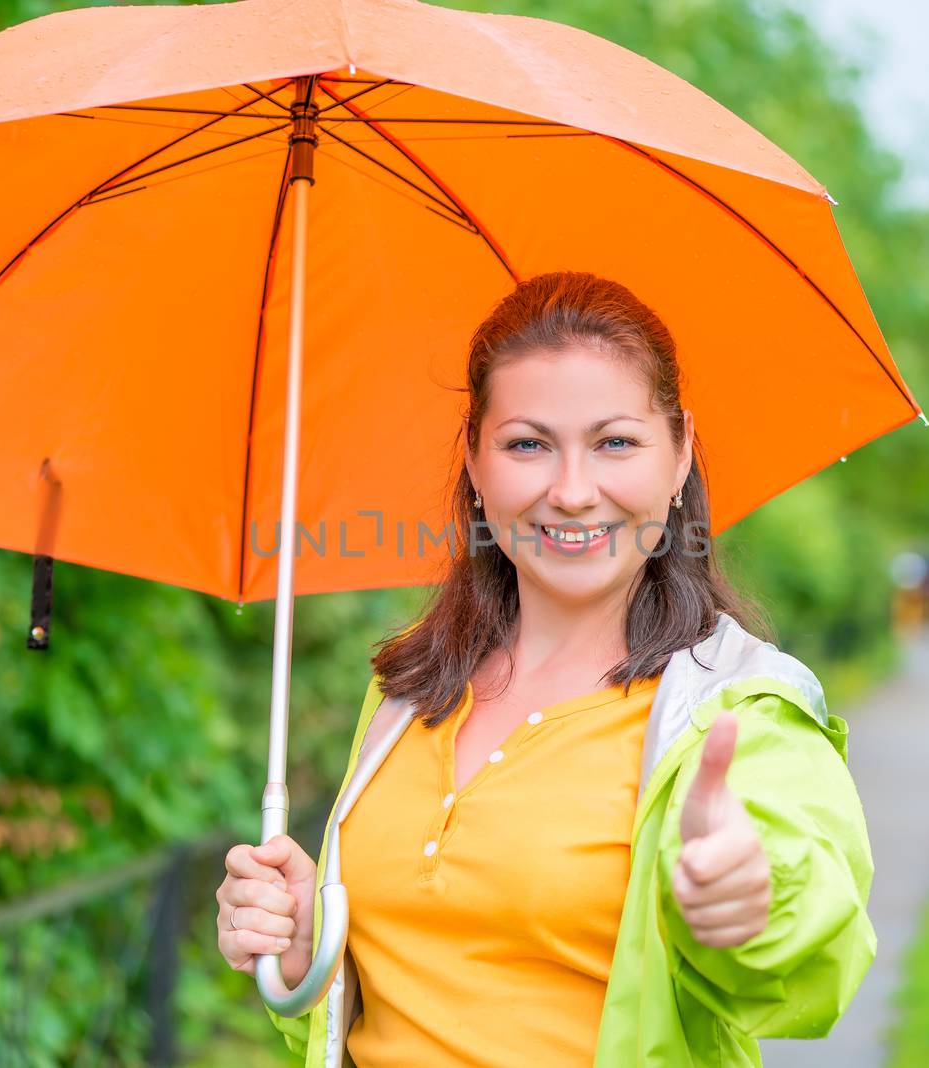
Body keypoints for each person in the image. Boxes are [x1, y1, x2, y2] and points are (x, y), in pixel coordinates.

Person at [215, 271, 875, 1067]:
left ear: (680, 455)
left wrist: (749, 900)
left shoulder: (735, 709)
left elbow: (811, 959)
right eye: (528, 443)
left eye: (615, 442)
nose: (570, 491)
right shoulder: (407, 691)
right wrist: (307, 953)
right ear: (474, 459)